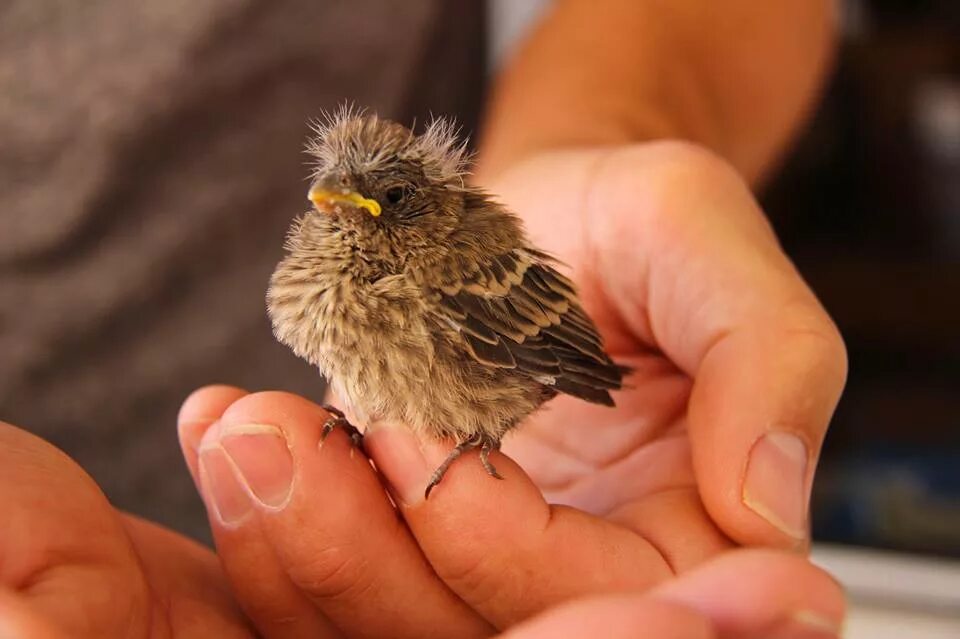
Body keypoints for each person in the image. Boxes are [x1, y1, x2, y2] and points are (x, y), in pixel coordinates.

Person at [0, 0, 848, 636]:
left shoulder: (456, 272)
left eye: (383, 202)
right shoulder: (312, 274)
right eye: (334, 197)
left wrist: (595, 137)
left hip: (318, 517)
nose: (341, 209)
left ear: (419, 209)